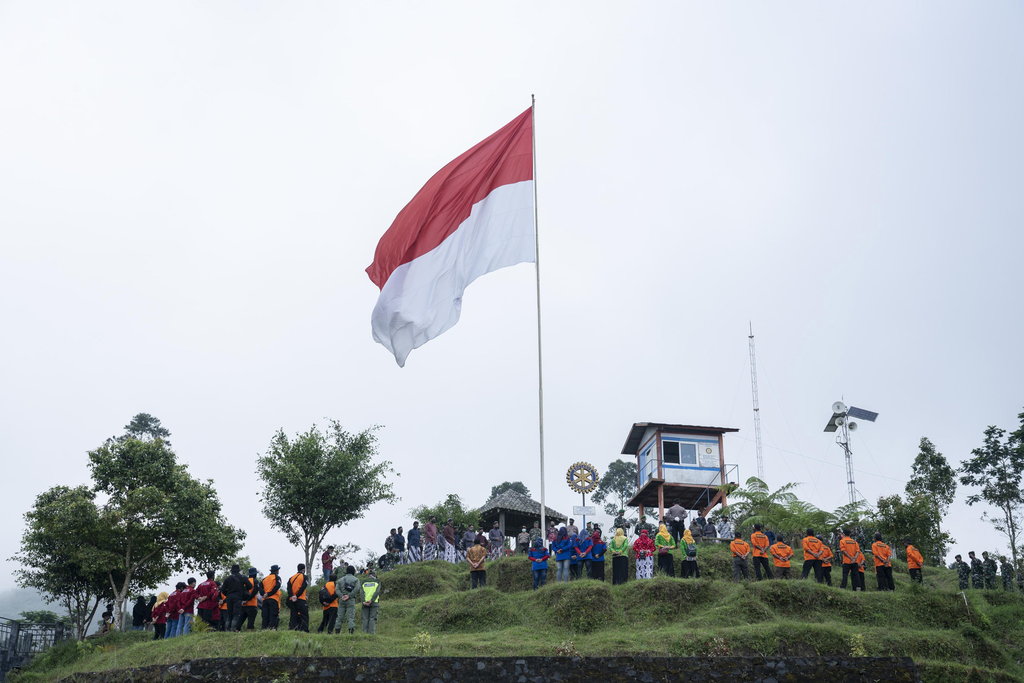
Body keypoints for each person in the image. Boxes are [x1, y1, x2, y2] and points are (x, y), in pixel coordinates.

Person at [221, 564, 246, 632]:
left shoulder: (227, 578)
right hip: (238, 597)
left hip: (229, 598)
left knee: (229, 615)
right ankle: (233, 629)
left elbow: (222, 590)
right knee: (236, 614)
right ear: (238, 570)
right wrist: (243, 590)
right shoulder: (242, 577)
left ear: (231, 571)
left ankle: (227, 630)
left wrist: (228, 594)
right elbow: (249, 586)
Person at [336, 565, 360, 634]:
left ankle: (337, 632)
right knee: (350, 616)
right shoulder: (356, 579)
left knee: (339, 616)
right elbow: (357, 588)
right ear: (353, 571)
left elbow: (337, 589)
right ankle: (351, 632)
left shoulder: (340, 580)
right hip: (351, 600)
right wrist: (349, 596)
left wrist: (342, 596)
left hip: (341, 600)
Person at [287, 563, 310, 632]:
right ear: (303, 569)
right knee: (304, 615)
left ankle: (293, 629)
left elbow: (289, 588)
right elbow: (303, 587)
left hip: (292, 600)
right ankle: (304, 630)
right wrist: (296, 596)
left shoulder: (291, 578)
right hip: (301, 599)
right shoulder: (304, 577)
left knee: (293, 615)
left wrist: (292, 596)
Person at [358, 569, 381, 634]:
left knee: (365, 618)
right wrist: (372, 600)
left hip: (365, 603)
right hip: (374, 603)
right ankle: (371, 634)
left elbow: (361, 593)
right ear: (375, 575)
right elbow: (377, 592)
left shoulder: (363, 582)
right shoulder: (377, 581)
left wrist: (363, 601)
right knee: (372, 618)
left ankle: (364, 634)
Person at [261, 565, 282, 630]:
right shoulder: (277, 577)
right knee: (273, 614)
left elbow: (260, 588)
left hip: (265, 600)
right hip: (273, 599)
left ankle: (264, 629)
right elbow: (277, 586)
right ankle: (272, 628)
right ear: (277, 571)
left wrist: (264, 594)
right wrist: (269, 594)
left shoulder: (264, 579)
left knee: (265, 615)